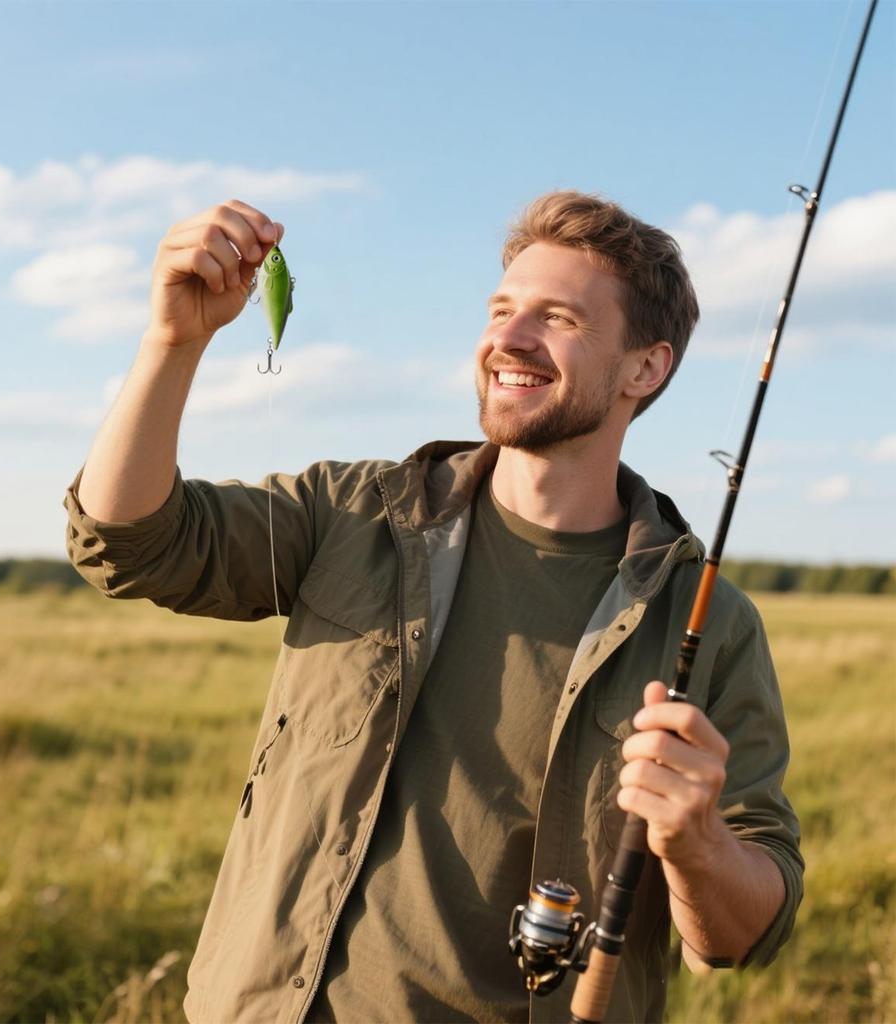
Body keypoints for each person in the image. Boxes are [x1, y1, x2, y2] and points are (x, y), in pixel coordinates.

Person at [64, 193, 803, 1024]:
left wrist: (698, 843)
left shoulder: (709, 623)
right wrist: (172, 342)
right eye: (501, 310)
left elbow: (747, 932)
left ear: (645, 368)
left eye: (558, 318)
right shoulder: (353, 513)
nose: (509, 339)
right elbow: (128, 542)